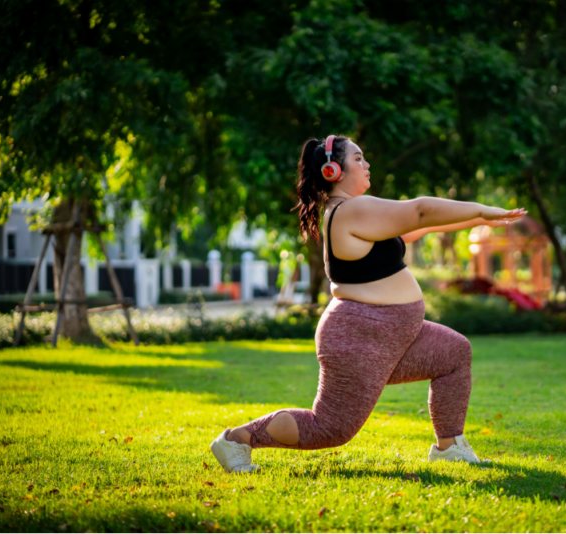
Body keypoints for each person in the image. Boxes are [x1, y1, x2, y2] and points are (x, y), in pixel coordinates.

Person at [210, 135, 526, 473]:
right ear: (334, 171)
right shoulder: (349, 209)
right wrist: (479, 207)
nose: (367, 164)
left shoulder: (356, 215)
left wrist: (480, 220)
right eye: (359, 158)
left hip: (393, 334)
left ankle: (449, 448)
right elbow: (419, 210)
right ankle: (238, 439)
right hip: (360, 336)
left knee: (453, 354)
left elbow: (415, 229)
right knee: (329, 429)